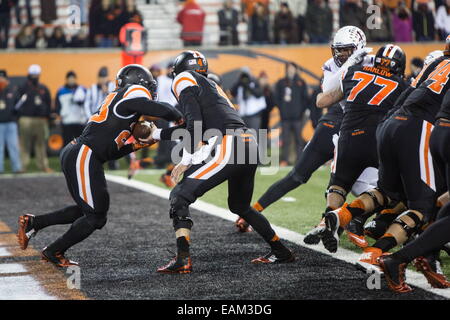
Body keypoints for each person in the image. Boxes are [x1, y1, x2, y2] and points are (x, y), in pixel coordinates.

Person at [17, 64, 184, 267]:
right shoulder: (132, 93)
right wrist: (179, 117)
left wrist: (136, 146)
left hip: (84, 154)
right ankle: (53, 251)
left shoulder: (123, 107)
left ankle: (34, 224)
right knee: (96, 215)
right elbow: (159, 108)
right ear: (140, 84)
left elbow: (111, 151)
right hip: (84, 154)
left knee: (88, 209)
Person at [147, 51, 294, 273]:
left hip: (231, 144)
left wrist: (185, 160)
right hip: (248, 142)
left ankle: (183, 260)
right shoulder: (209, 88)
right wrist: (157, 135)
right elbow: (198, 126)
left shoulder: (183, 79)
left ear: (179, 70)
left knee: (179, 195)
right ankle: (281, 251)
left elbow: (194, 124)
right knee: (239, 205)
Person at [318, 39, 450, 276]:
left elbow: (410, 91)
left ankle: (342, 214)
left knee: (388, 192)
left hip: (391, 123)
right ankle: (379, 253)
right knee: (422, 207)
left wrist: (390, 120)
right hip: (421, 128)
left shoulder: (438, 62)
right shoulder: (418, 71)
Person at [236, 26, 376, 234]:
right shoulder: (332, 64)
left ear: (358, 47)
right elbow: (326, 95)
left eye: (346, 49)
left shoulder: (373, 62)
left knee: (370, 185)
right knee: (299, 175)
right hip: (341, 123)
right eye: (339, 49)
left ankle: (345, 223)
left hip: (361, 127)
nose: (341, 54)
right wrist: (350, 62)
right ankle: (251, 213)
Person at [311, 44, 407, 254]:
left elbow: (323, 100)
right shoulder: (402, 85)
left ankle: (329, 221)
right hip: (377, 141)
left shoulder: (354, 73)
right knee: (393, 190)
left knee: (339, 184)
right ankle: (359, 219)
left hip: (349, 137)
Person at [379, 41, 450, 292]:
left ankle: (427, 256)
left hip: (436, 130)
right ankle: (400, 257)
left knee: (442, 202)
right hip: (432, 129)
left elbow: (410, 92)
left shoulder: (438, 63)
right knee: (427, 202)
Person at [15, 64, 53, 173]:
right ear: (29, 74)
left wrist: (48, 116)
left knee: (41, 144)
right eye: (33, 74)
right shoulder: (22, 87)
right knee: (24, 144)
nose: (34, 76)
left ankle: (43, 165)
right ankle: (23, 166)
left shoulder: (43, 88)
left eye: (36, 74)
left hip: (40, 119)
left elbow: (48, 103)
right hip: (25, 118)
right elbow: (17, 103)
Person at [274, 62, 309, 166]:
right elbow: (276, 98)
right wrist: (282, 109)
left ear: (295, 70)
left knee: (298, 139)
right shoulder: (281, 82)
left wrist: (300, 111)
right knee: (285, 139)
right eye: (289, 68)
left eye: (292, 68)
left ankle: (299, 160)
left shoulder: (301, 82)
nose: (290, 70)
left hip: (298, 117)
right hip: (285, 117)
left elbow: (305, 99)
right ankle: (285, 160)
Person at [55, 71, 88, 145]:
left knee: (80, 143)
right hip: (67, 121)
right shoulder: (61, 91)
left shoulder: (82, 89)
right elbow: (57, 105)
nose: (71, 80)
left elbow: (87, 103)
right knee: (67, 143)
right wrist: (59, 115)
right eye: (69, 79)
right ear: (66, 79)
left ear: (75, 79)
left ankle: (79, 156)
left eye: (72, 78)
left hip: (79, 121)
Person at [0, 70, 22, 174]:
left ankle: (16, 168)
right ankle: (0, 168)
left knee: (13, 146)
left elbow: (19, 105)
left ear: (6, 79)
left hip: (11, 123)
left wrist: (16, 116)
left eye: (2, 78)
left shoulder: (12, 91)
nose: (1, 80)